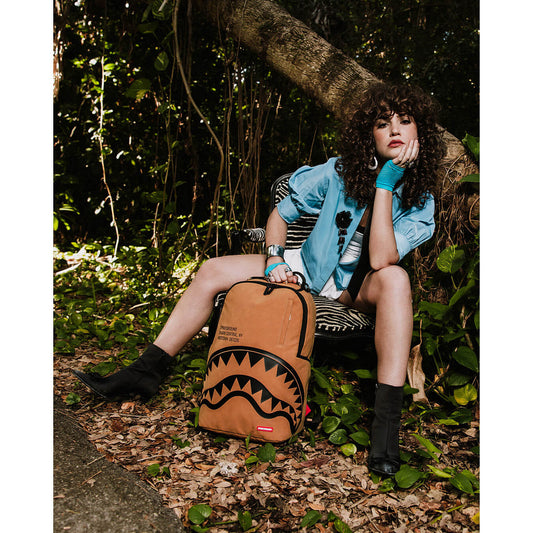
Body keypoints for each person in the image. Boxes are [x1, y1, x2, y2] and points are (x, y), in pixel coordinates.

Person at [73, 81, 446, 476]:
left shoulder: (421, 201)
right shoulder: (337, 171)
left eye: (404, 121)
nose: (394, 130)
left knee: (396, 278)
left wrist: (385, 184)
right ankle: (145, 371)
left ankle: (385, 427)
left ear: (419, 132)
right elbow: (281, 214)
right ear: (368, 134)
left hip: (356, 288)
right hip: (306, 268)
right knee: (212, 269)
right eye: (382, 123)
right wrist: (274, 260)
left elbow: (381, 257)